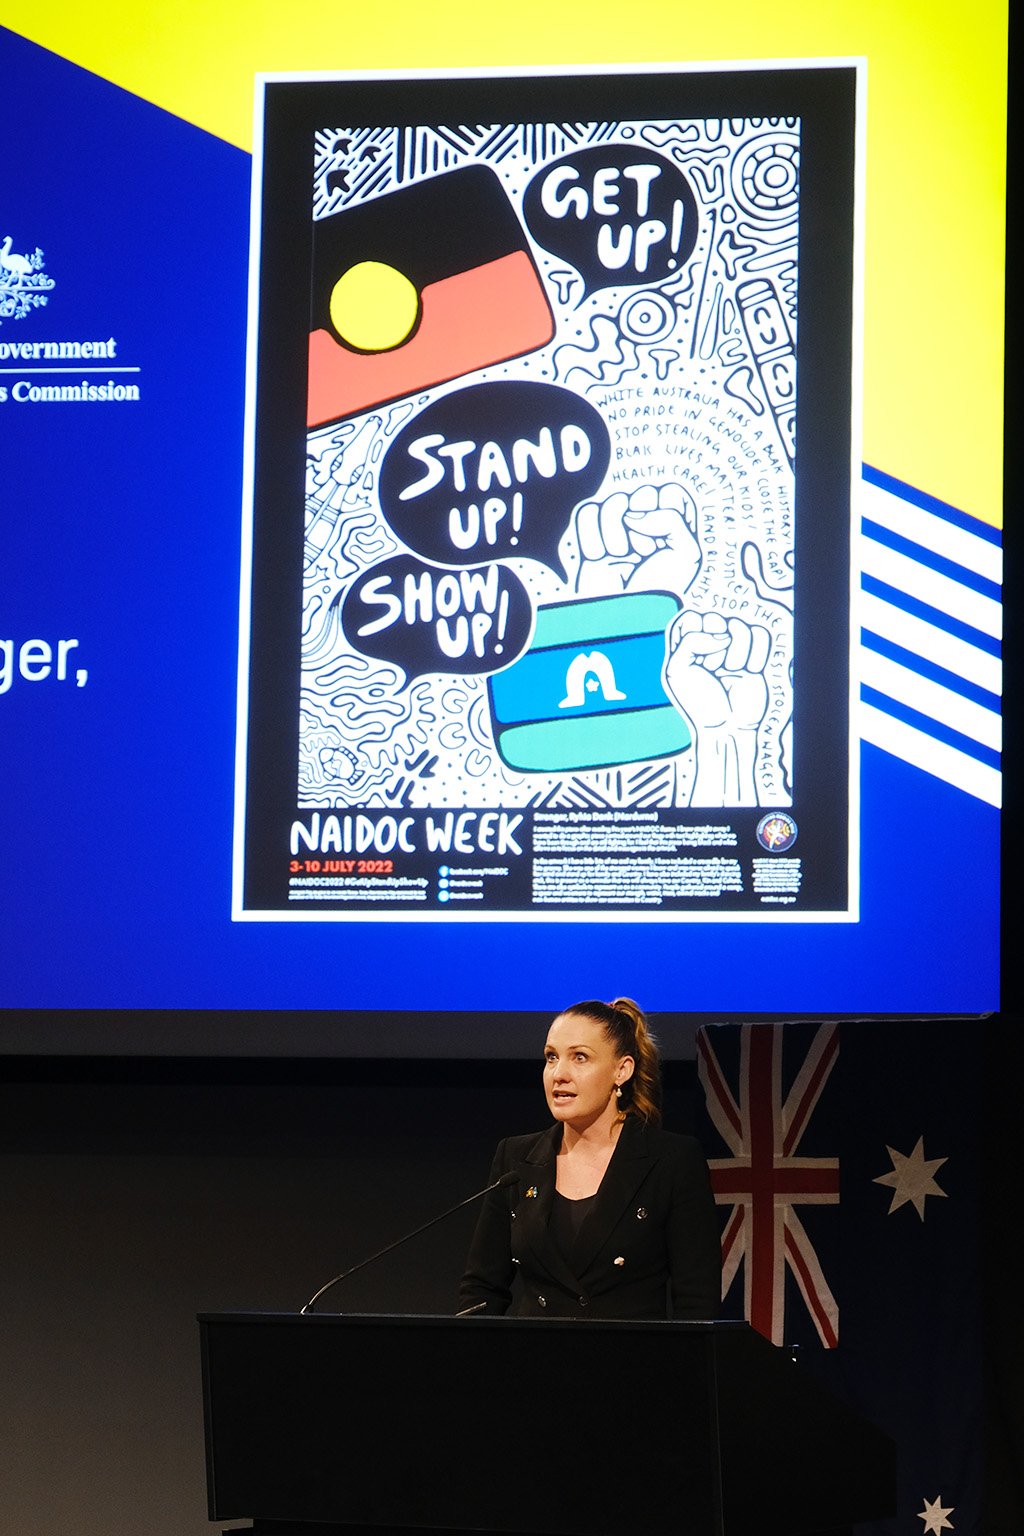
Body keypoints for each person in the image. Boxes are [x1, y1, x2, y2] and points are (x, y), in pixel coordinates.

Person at [459, 997, 721, 1319]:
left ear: (621, 1071)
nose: (559, 1074)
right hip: (531, 1365)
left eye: (580, 1057)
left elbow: (697, 1303)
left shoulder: (672, 1161)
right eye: (551, 1057)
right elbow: (482, 1290)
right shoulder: (516, 1158)